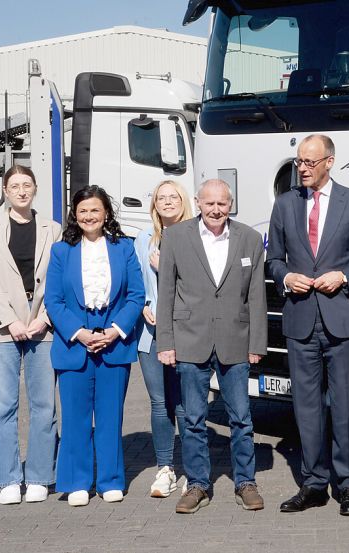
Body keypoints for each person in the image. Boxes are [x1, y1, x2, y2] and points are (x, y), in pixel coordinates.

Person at [267, 134, 349, 516]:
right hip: (301, 320)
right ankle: (314, 483)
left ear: (330, 162)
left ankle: (348, 484)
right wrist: (286, 278)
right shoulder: (284, 205)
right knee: (305, 406)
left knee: (348, 405)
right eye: (299, 161)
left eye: (310, 162)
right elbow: (274, 260)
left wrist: (344, 276)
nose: (302, 168)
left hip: (343, 321)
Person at [157, 179, 268, 514]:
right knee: (193, 419)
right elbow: (166, 294)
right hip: (190, 339)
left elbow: (256, 295)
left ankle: (246, 482)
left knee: (242, 418)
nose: (216, 210)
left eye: (223, 203)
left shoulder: (249, 238)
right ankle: (197, 485)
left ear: (231, 202)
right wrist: (166, 342)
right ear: (198, 202)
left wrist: (257, 342)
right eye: (210, 204)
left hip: (235, 340)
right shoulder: (175, 237)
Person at [44, 185, 145, 507]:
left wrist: (115, 331)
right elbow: (54, 300)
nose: (89, 216)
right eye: (83, 210)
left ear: (106, 214)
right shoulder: (62, 251)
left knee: (110, 416)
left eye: (95, 210)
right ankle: (76, 481)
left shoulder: (123, 248)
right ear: (75, 215)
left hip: (113, 343)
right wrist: (79, 333)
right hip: (74, 344)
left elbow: (136, 295)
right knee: (74, 418)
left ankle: (111, 480)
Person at [0, 166, 61, 505]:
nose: (22, 191)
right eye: (15, 186)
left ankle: (40, 475)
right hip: (0, 328)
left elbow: (59, 277)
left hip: (42, 325)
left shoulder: (52, 229)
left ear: (35, 189)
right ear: (5, 191)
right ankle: (7, 477)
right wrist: (9, 320)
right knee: (1, 406)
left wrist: (45, 318)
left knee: (44, 405)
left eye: (27, 185)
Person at [133, 180, 193, 499]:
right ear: (154, 204)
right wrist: (143, 305)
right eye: (161, 198)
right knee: (160, 403)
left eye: (173, 197)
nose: (167, 202)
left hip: (185, 331)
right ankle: (165, 467)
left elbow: (200, 285)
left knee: (184, 402)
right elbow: (134, 281)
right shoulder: (143, 239)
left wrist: (166, 266)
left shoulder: (196, 235)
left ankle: (192, 469)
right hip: (151, 333)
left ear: (182, 201)